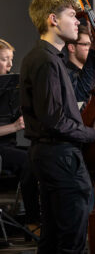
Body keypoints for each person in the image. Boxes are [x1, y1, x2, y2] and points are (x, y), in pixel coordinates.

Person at [20, 0, 95, 253]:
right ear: (53, 19)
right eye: (72, 16)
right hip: (59, 157)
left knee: (54, 239)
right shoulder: (46, 61)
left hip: (54, 156)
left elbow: (79, 93)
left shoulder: (52, 58)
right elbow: (55, 122)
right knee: (71, 242)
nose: (78, 22)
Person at [0, 39, 40, 230]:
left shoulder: (10, 88)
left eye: (11, 59)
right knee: (28, 161)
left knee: (39, 154)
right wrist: (15, 126)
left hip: (9, 146)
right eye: (4, 59)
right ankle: (32, 220)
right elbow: (13, 125)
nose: (9, 65)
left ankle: (39, 217)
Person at [65, 24, 95, 104]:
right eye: (86, 44)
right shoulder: (65, 76)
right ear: (71, 47)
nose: (91, 48)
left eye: (91, 44)